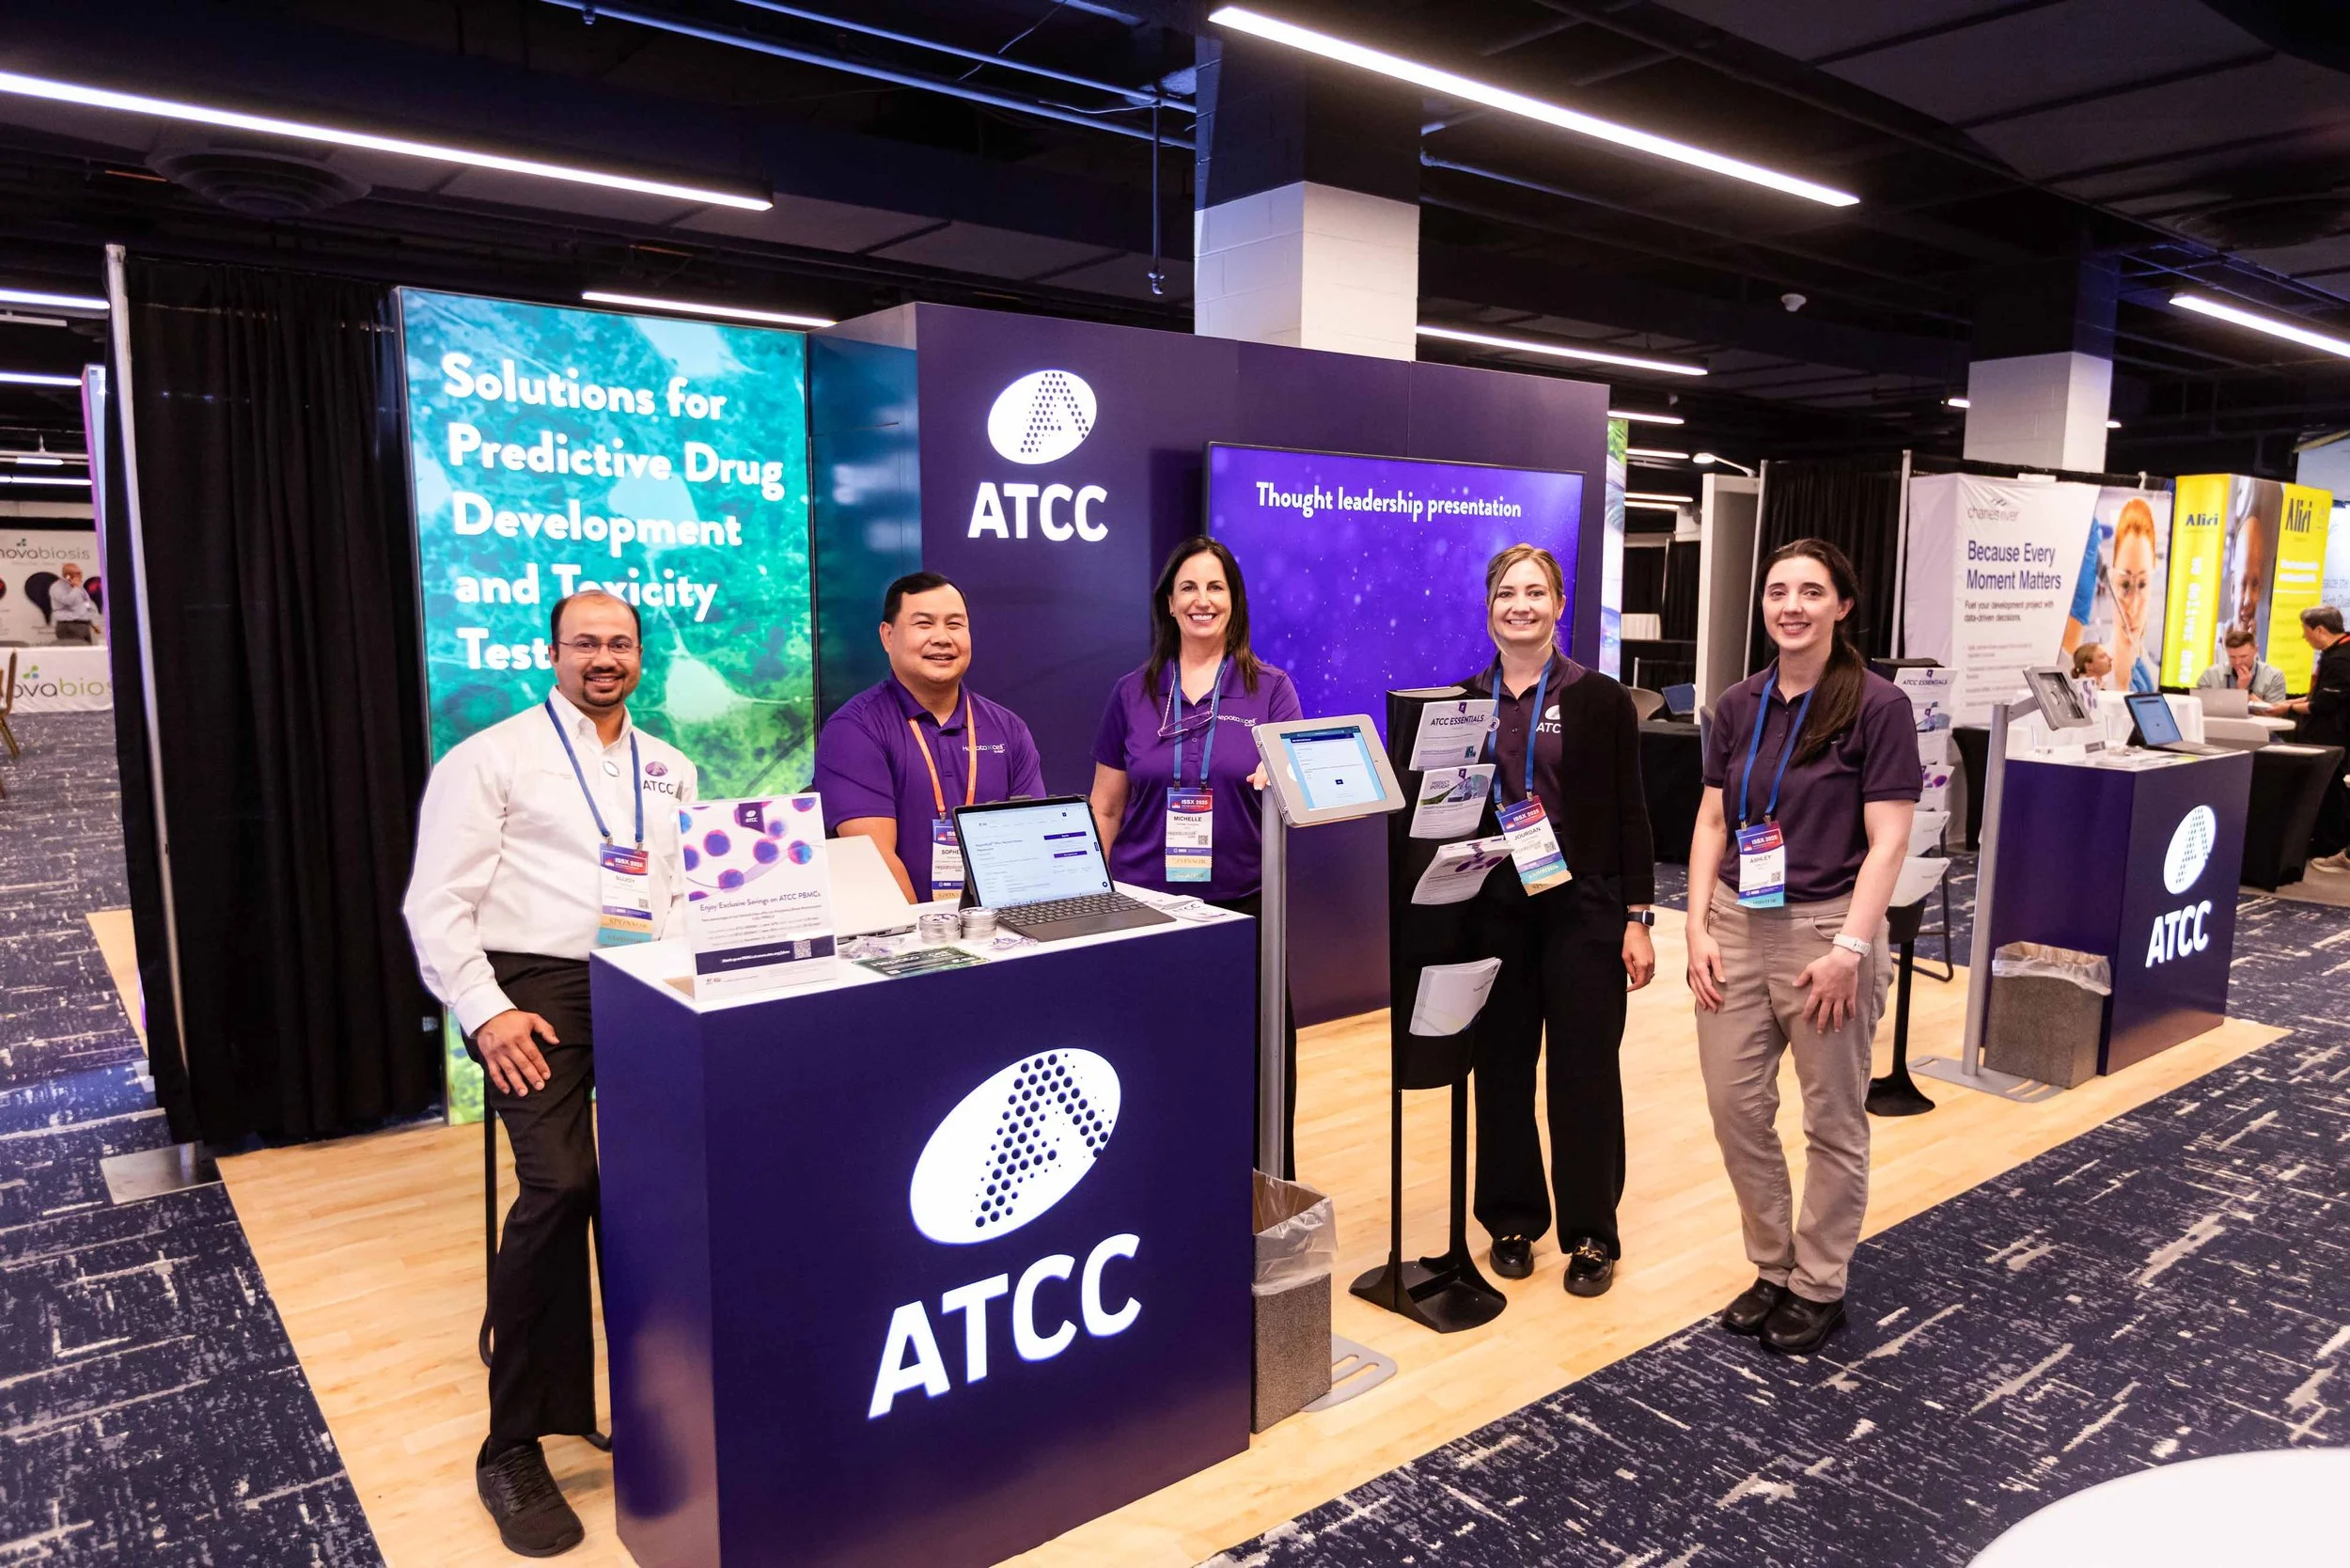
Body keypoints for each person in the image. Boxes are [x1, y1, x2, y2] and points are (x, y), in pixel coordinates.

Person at [402, 589, 698, 1558]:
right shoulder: (487, 760)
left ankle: (660, 1402)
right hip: (534, 990)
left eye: (619, 644)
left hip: (652, 978)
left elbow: (684, 892)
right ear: (554, 653)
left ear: (641, 658)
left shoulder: (673, 767)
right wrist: (485, 1012)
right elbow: (434, 905)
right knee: (563, 1182)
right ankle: (515, 1441)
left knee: (670, 1191)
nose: (602, 659)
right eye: (585, 644)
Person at [1685, 538, 1919, 1355]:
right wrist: (1694, 923)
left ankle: (1819, 1281)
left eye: (1811, 591)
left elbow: (1889, 842)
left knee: (1832, 1119)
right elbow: (1713, 819)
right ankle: (1772, 1265)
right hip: (1735, 926)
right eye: (1778, 590)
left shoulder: (1877, 706)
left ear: (1842, 607)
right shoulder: (1738, 702)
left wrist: (1851, 949)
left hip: (1826, 933)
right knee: (1734, 1107)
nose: (1791, 605)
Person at [1458, 543, 1655, 1296]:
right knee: (1501, 1070)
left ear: (1559, 605)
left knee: (1584, 1073)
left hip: (1585, 911)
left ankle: (1590, 1234)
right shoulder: (1462, 701)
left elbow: (1633, 815)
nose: (1521, 606)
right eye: (1508, 593)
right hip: (1495, 912)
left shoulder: (1601, 699)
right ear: (1489, 608)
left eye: (1536, 593)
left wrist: (1638, 917)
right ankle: (1511, 1219)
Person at [1089, 537, 1305, 1170]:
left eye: (1216, 587)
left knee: (1259, 1064)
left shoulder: (1271, 689)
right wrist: (1093, 898)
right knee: (1151, 1060)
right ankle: (1154, 1189)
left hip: (1244, 910)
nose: (1202, 600)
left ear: (1233, 601)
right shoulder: (1131, 693)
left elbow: (1298, 794)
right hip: (1147, 912)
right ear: (1169, 602)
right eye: (1189, 587)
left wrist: (1284, 781)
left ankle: (1263, 1197)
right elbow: (1106, 806)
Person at [813, 571, 1044, 903]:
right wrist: (935, 941)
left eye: (955, 625)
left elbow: (1029, 846)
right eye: (924, 624)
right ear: (888, 636)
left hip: (1001, 931)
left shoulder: (1008, 729)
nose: (942, 638)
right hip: (907, 940)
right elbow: (875, 860)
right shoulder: (854, 729)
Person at [2282, 606, 2350, 866]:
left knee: (2329, 790)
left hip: (2333, 738)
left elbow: (2323, 703)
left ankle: (2328, 845)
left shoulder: (2341, 659)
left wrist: (2287, 707)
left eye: (2306, 631)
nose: (2304, 636)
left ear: (2319, 630)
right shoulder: (2337, 652)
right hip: (2331, 736)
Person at [2106, 497, 2161, 694]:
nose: (2133, 606)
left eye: (2142, 584)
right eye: (2125, 585)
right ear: (2111, 579)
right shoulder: (2089, 679)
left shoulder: (2153, 679)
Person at [2194, 626, 2287, 711]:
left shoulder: (2274, 676)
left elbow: (2276, 713)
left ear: (2255, 650)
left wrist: (2243, 692)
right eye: (2232, 657)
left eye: (2243, 656)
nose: (2237, 662)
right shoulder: (2210, 675)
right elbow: (2200, 709)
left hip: (2258, 728)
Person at [48, 561, 100, 643]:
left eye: (80, 572)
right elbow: (68, 601)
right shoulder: (57, 587)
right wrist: (76, 587)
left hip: (84, 625)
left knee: (87, 654)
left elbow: (86, 604)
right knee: (76, 653)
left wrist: (93, 623)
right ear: (67, 575)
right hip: (69, 626)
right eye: (77, 573)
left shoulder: (79, 587)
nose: (80, 575)